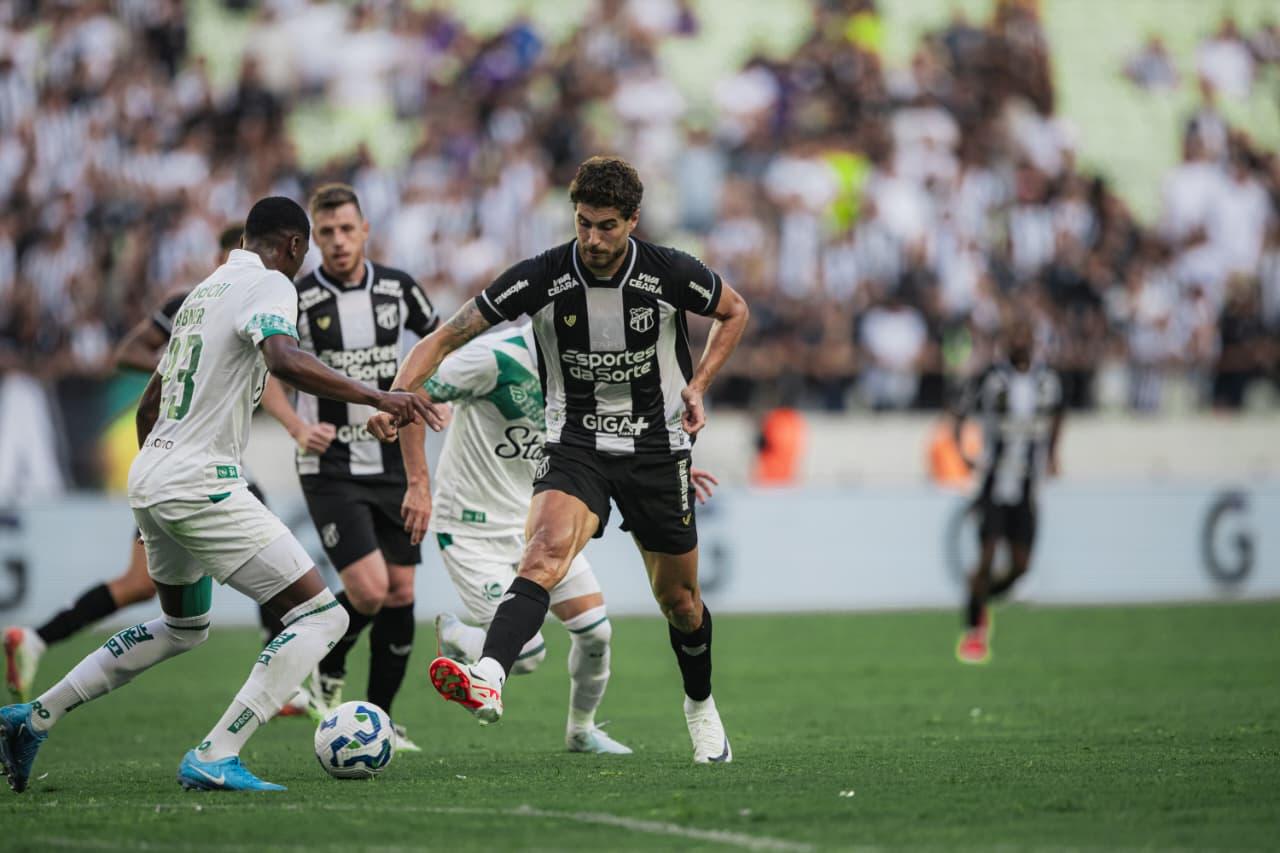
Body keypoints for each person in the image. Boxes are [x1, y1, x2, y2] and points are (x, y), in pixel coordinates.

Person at [0, 197, 431, 794]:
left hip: (155, 474)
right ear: (295, 246)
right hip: (202, 480)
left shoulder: (203, 294)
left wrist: (157, 478)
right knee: (322, 615)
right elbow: (284, 359)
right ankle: (216, 753)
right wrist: (378, 395)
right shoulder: (272, 285)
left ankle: (32, 718)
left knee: (182, 627)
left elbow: (150, 402)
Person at [370, 156, 750, 763]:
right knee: (544, 551)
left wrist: (699, 385)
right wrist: (394, 396)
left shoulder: (671, 271)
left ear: (633, 220)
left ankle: (700, 708)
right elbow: (444, 337)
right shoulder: (541, 276)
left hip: (657, 449)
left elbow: (735, 311)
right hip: (577, 444)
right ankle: (488, 675)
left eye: (607, 226)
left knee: (680, 603)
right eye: (583, 224)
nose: (592, 239)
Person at [2, 225, 301, 710]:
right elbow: (127, 353)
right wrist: (187, 368)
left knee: (140, 586)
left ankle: (37, 639)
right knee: (271, 554)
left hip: (174, 460)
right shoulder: (201, 304)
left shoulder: (233, 306)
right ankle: (284, 682)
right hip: (192, 461)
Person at [393, 321, 719, 754]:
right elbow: (410, 396)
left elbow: (609, 431)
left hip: (540, 522)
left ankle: (581, 731)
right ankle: (458, 636)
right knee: (525, 653)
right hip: (473, 527)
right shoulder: (493, 357)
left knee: (596, 633)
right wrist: (418, 483)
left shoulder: (584, 366)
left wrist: (664, 466)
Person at [267, 184, 439, 752]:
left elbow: (435, 354)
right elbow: (266, 373)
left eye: (347, 229)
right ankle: (324, 663)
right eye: (327, 233)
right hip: (331, 464)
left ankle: (381, 720)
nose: (339, 241)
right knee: (368, 590)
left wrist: (421, 471)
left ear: (365, 230)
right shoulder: (296, 297)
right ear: (312, 240)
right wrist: (297, 427)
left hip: (392, 461)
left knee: (401, 592)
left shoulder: (400, 290)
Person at [952, 319, 1063, 665]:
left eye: (1024, 336)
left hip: (1028, 484)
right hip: (995, 482)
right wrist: (964, 453)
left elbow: (1060, 414)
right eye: (1014, 336)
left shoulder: (1048, 381)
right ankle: (974, 631)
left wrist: (1053, 453)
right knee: (986, 557)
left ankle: (979, 597)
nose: (1019, 343)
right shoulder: (991, 379)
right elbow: (959, 413)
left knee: (1021, 567)